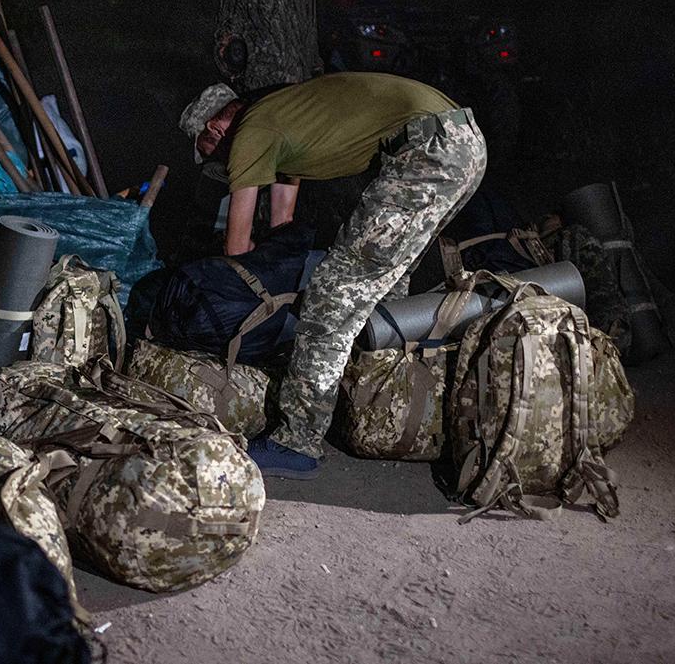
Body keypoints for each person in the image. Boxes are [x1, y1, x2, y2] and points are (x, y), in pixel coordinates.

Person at [179, 72, 486, 479]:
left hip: (427, 151)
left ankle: (296, 441)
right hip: (460, 141)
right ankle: (379, 405)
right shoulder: (283, 117)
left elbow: (237, 248)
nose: (221, 165)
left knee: (333, 291)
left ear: (215, 127)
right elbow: (282, 225)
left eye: (212, 153)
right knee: (387, 283)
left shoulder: (253, 129)